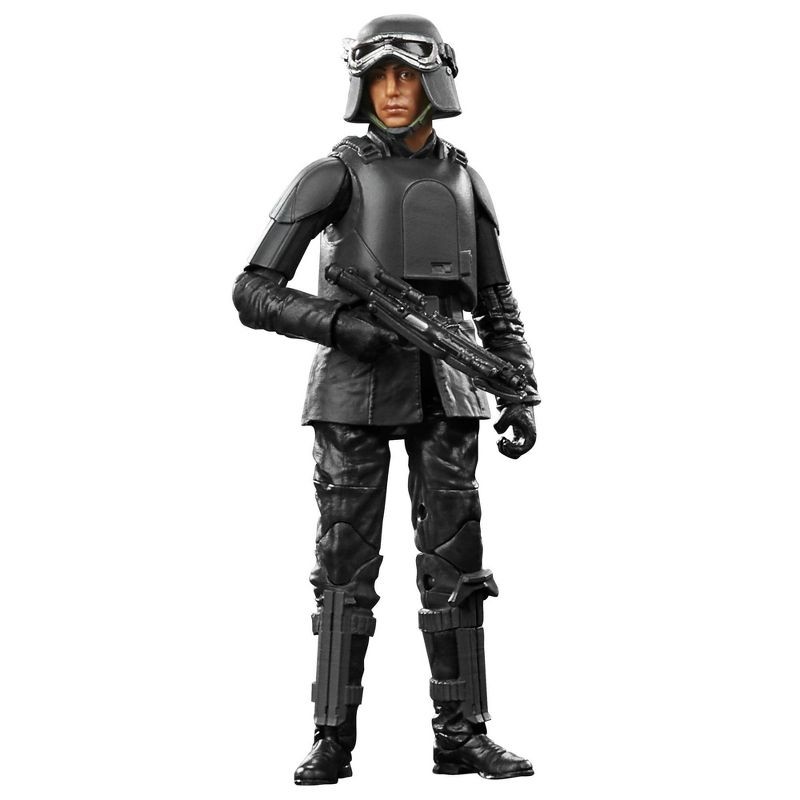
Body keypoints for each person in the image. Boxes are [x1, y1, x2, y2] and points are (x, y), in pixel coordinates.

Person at [233, 14, 540, 784]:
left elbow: (497, 302)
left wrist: (519, 386)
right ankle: (332, 736)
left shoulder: (466, 179)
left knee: (458, 565)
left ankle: (462, 732)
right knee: (343, 564)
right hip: (353, 384)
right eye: (379, 77)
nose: (394, 90)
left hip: (451, 385)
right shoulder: (331, 174)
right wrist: (340, 326)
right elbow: (253, 290)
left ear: (435, 80)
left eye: (407, 74)